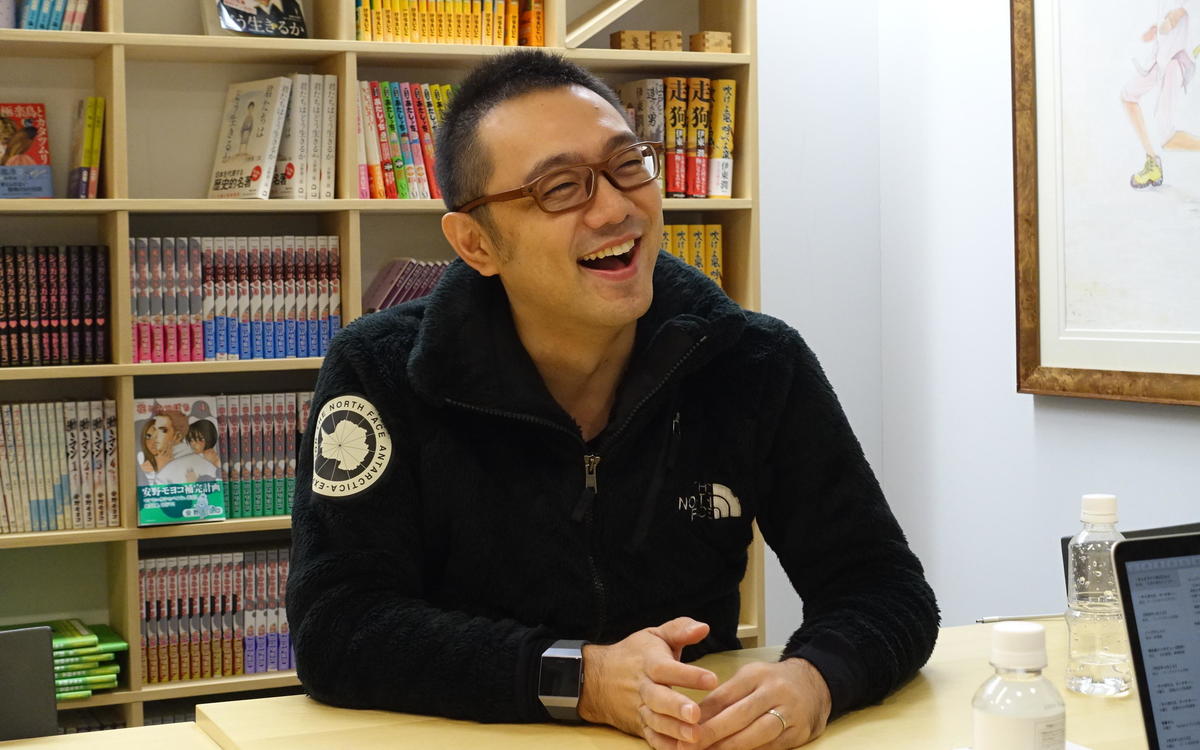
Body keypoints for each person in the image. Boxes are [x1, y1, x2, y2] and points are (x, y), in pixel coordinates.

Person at [287, 49, 938, 750]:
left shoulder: (753, 361)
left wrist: (817, 678)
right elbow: (339, 627)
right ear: (476, 243)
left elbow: (881, 585)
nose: (617, 207)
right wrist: (584, 680)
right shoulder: (381, 369)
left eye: (629, 165)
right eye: (560, 188)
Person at [1124, 0, 1200, 188]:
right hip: (1160, 59)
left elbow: (1178, 18)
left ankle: (1154, 165)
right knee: (1128, 95)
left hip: (1176, 63)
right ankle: (1152, 162)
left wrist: (1171, 20)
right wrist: (1157, 28)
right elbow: (1166, 24)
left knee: (1167, 138)